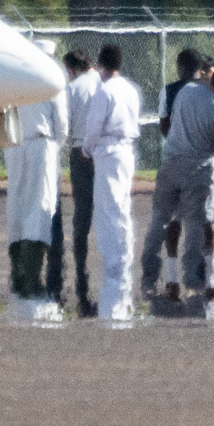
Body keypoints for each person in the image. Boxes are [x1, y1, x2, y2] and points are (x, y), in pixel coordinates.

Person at [141, 61, 214, 316]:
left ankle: (149, 276)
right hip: (197, 170)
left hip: (171, 163)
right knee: (194, 227)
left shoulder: (186, 91)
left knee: (161, 219)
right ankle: (192, 284)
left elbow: (170, 122)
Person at [76, 43, 142, 320]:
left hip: (108, 154)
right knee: (122, 210)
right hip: (126, 152)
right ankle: (123, 270)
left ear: (101, 66)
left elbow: (93, 128)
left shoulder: (105, 91)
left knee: (108, 212)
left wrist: (85, 150)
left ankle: (114, 271)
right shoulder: (130, 89)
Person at [5, 41, 71, 318]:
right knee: (40, 210)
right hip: (41, 144)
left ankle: (18, 281)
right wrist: (57, 146)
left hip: (14, 143)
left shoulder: (12, 75)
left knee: (17, 209)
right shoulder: (51, 77)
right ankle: (32, 282)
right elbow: (62, 123)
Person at [153, 48, 208, 294]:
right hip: (201, 161)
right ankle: (202, 276)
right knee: (202, 220)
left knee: (173, 220)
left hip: (173, 159)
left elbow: (164, 124)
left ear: (179, 66)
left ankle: (173, 277)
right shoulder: (208, 90)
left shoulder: (170, 90)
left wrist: (177, 141)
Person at [60, 49, 99, 314]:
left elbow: (66, 125)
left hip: (79, 150)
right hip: (104, 152)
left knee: (82, 216)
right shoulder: (104, 84)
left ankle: (81, 276)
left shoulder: (72, 89)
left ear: (72, 68)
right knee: (108, 213)